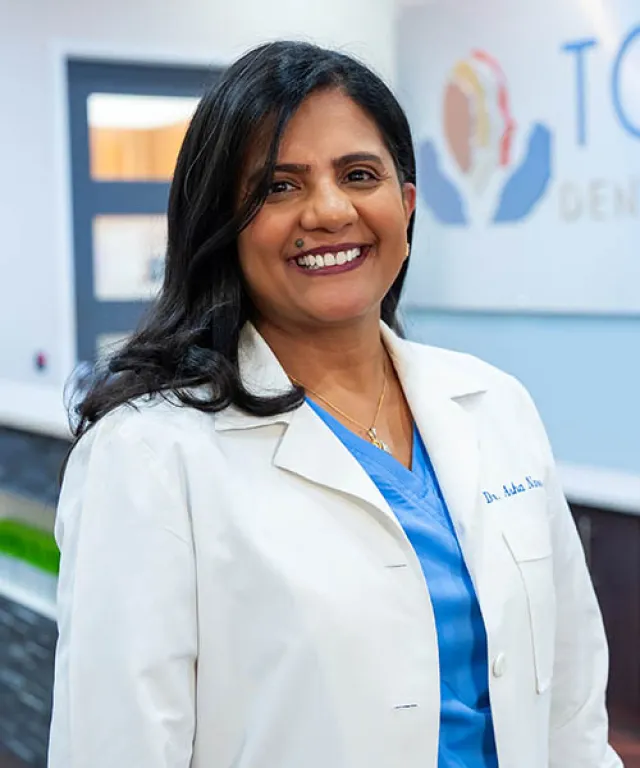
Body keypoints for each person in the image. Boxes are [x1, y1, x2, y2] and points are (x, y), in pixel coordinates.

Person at [48, 41, 622, 768]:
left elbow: (570, 710)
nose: (327, 211)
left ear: (406, 205)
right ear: (223, 227)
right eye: (279, 187)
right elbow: (117, 746)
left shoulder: (494, 407)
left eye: (359, 175)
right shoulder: (149, 456)